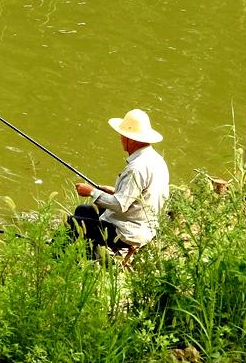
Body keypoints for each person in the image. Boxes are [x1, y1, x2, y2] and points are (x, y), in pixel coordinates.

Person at [67, 109, 170, 258]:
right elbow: (144, 194)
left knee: (72, 222)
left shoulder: (136, 168)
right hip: (145, 225)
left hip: (129, 231)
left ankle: (58, 257)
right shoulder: (156, 159)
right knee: (83, 210)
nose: (120, 138)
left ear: (132, 139)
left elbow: (120, 206)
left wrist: (91, 192)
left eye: (123, 135)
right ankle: (89, 253)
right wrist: (115, 191)